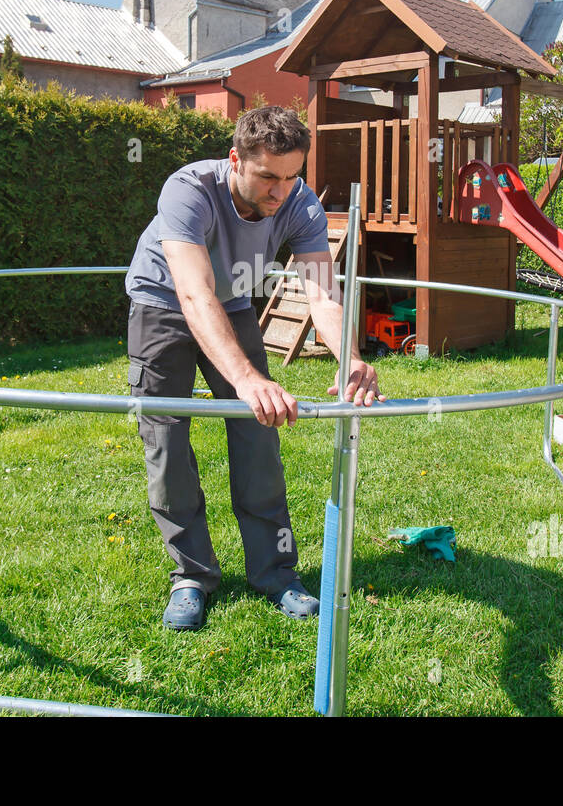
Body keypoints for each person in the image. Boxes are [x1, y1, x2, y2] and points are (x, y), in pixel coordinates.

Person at [124, 106, 383, 632]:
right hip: (162, 303)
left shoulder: (300, 201)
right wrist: (247, 379)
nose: (280, 191)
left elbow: (322, 296)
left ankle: (274, 573)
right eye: (268, 176)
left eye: (291, 176)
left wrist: (349, 357)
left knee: (259, 432)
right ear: (235, 159)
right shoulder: (188, 190)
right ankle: (191, 576)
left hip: (235, 303)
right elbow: (194, 295)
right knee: (167, 439)